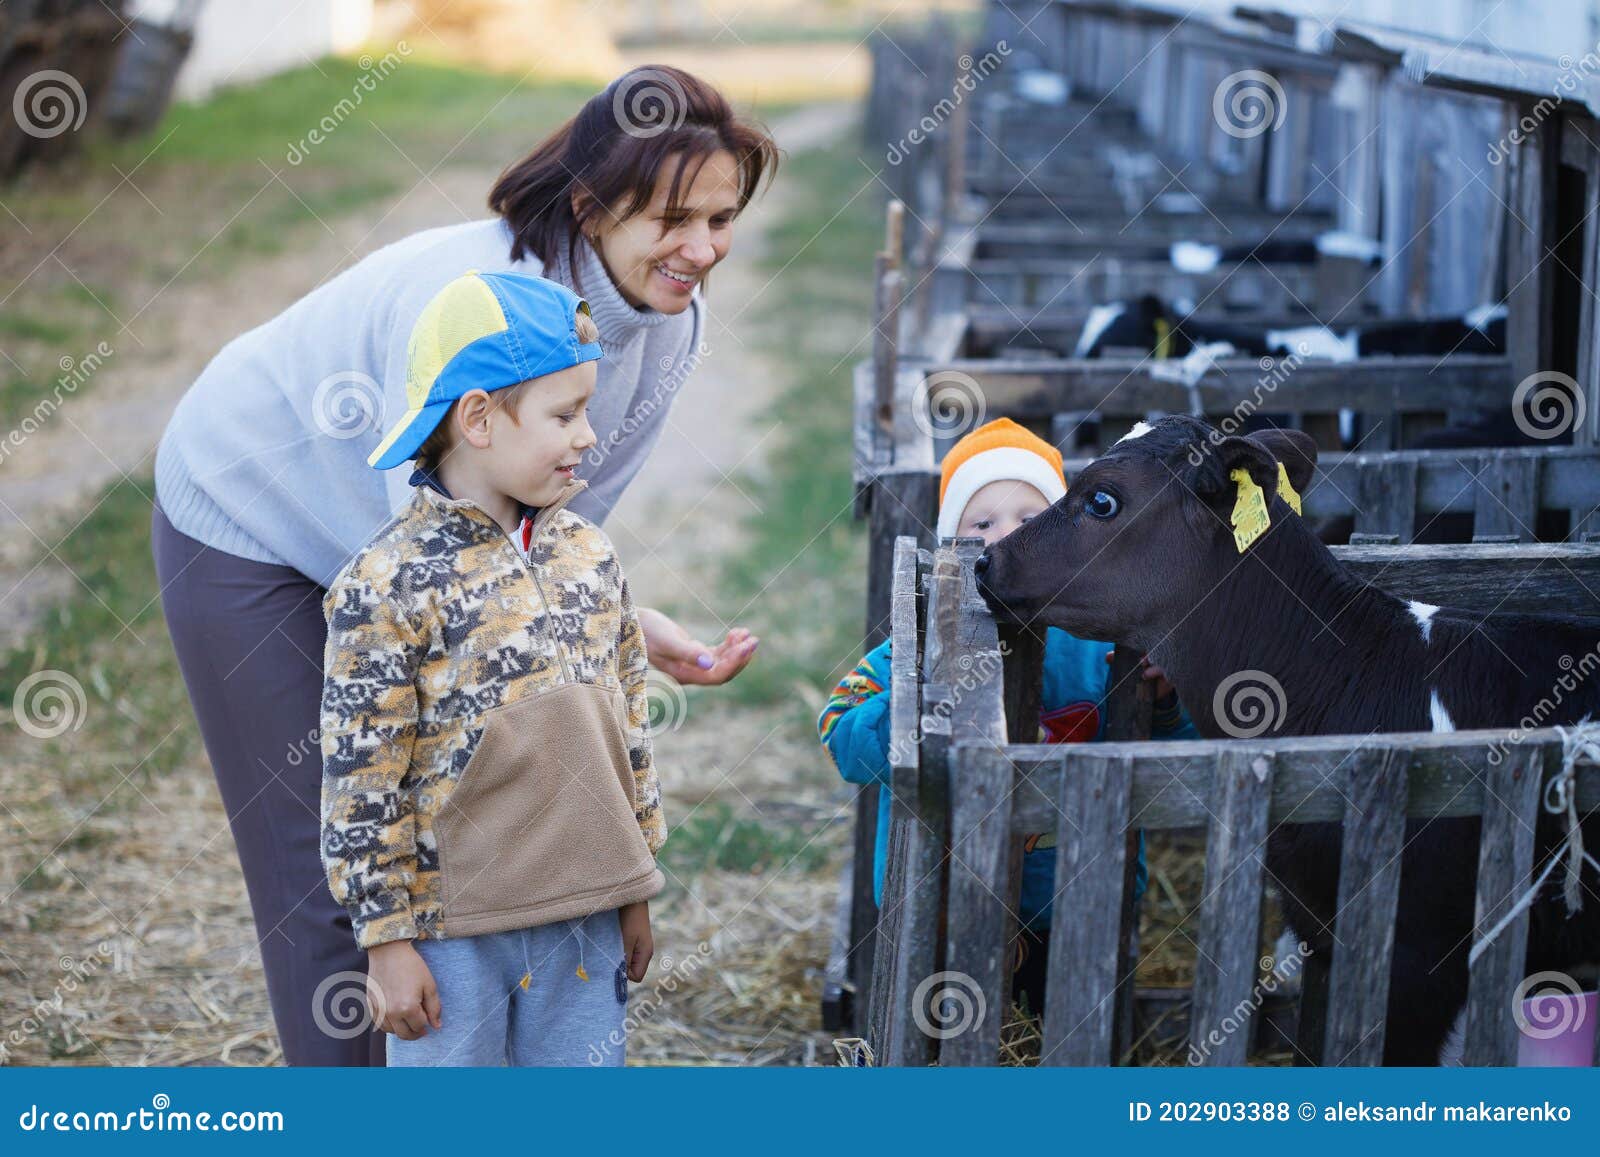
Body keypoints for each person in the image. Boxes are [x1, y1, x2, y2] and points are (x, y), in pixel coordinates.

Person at [150, 66, 772, 1064]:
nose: (702, 249)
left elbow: (549, 539)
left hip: (395, 537)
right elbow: (438, 572)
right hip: (251, 515)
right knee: (333, 865)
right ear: (589, 207)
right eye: (673, 218)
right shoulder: (472, 306)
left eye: (722, 217)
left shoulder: (667, 326)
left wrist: (621, 623)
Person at [321, 270, 663, 1066]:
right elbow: (360, 779)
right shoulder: (385, 584)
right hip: (452, 933)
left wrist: (635, 882)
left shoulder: (590, 556)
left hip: (585, 923)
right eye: (566, 414)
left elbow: (631, 728)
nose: (589, 435)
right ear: (478, 417)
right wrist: (385, 940)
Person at [817, 418, 1196, 1013]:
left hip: (1076, 901)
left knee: (1069, 1028)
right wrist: (912, 699)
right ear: (952, 545)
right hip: (939, 903)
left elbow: (1179, 755)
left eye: (1030, 519)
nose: (1008, 539)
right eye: (983, 524)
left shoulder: (1105, 646)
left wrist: (1166, 699)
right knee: (941, 1033)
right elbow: (841, 734)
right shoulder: (913, 647)